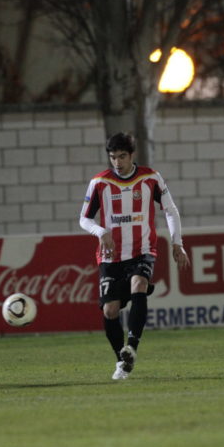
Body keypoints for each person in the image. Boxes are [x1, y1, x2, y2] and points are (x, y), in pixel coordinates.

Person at [79, 132, 191, 380]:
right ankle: (122, 361)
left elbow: (170, 210)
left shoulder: (150, 178)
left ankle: (131, 346)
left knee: (139, 283)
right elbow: (84, 219)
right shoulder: (99, 182)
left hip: (142, 249)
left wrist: (177, 243)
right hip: (111, 256)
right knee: (110, 311)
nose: (117, 162)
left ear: (132, 155)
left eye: (121, 157)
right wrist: (101, 232)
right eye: (112, 157)